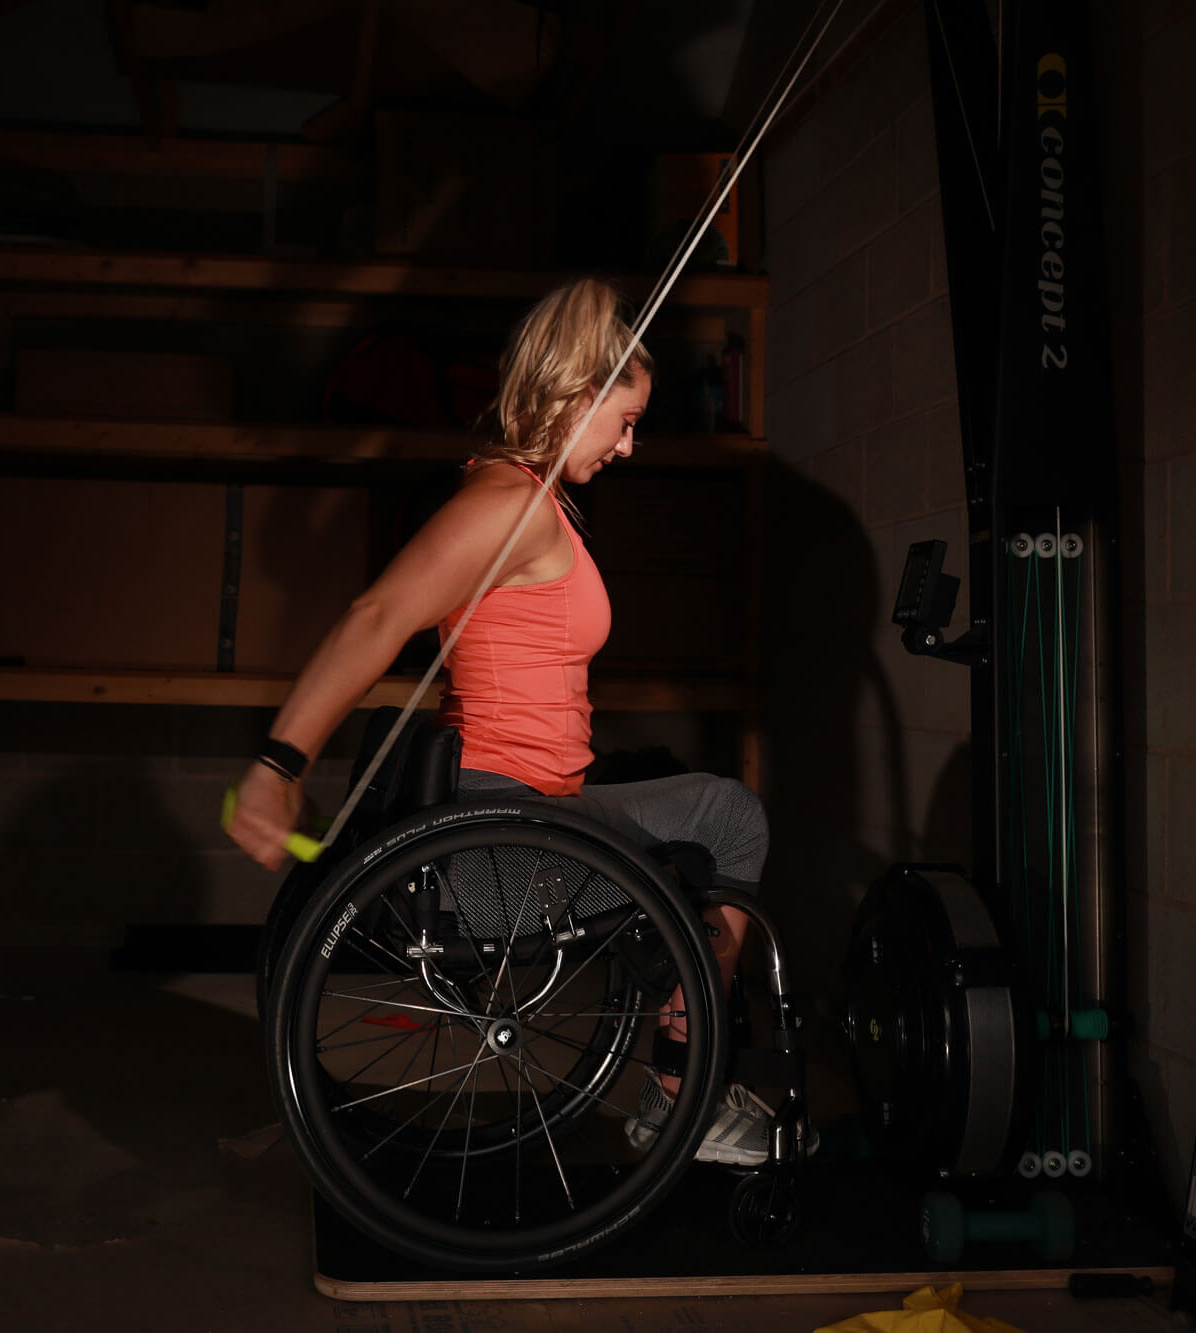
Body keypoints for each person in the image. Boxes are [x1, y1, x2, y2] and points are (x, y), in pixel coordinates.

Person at [225, 277, 783, 1166]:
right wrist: (278, 763)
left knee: (700, 808)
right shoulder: (509, 506)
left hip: (526, 818)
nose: (629, 445)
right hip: (500, 854)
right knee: (730, 816)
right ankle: (685, 1096)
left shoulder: (527, 497)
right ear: (575, 397)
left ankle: (683, 1063)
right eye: (624, 421)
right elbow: (376, 616)